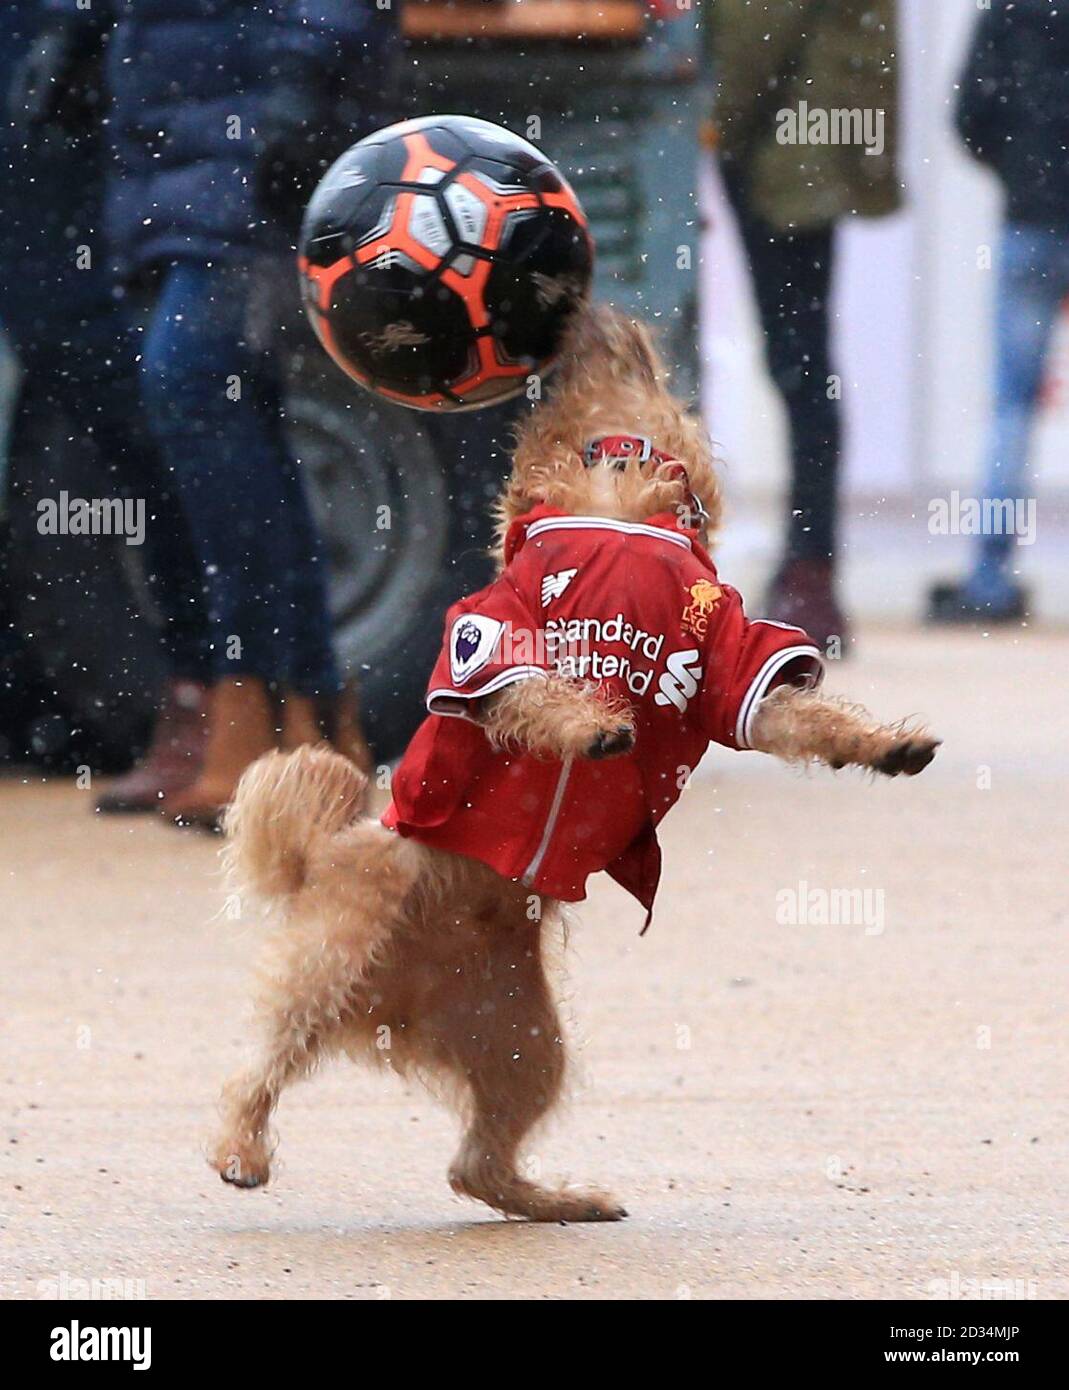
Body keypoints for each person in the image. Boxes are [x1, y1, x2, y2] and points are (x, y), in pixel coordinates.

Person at [14, 0, 394, 823]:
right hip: (175, 124)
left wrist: (306, 79)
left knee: (192, 384)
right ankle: (306, 725)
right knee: (232, 412)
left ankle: (269, 712)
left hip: (250, 123)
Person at [704, 0, 901, 648]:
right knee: (804, 366)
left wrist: (712, 124)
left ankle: (809, 575)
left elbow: (754, 36)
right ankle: (810, 569)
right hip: (809, 149)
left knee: (799, 367)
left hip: (784, 161)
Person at [929, 0, 1069, 623]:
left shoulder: (1013, 9)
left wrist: (1023, 170)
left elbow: (970, 115)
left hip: (1032, 220)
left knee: (1012, 403)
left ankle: (990, 579)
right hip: (1034, 210)